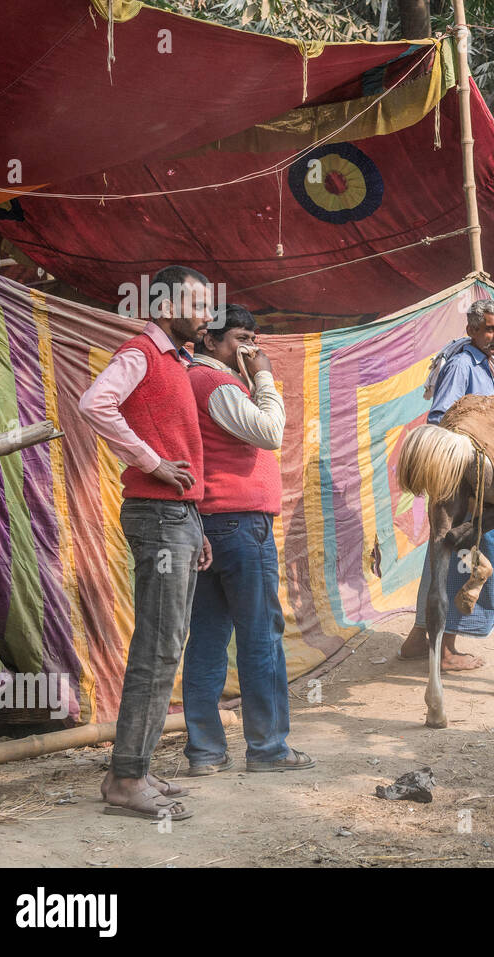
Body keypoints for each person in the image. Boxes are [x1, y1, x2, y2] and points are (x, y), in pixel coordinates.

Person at [78, 265, 215, 821]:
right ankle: (125, 778)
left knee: (166, 645)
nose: (207, 314)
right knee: (157, 646)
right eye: (197, 304)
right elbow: (93, 404)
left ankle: (135, 765)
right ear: (162, 307)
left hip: (177, 517)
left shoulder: (178, 364)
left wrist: (197, 523)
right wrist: (152, 463)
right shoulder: (140, 353)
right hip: (157, 517)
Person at [182, 304, 313, 776]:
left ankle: (205, 752)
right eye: (240, 338)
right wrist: (263, 378)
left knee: (208, 641)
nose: (251, 348)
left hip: (209, 528)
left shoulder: (198, 379)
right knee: (260, 638)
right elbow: (270, 432)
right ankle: (268, 749)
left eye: (254, 338)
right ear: (211, 343)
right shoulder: (213, 382)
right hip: (237, 527)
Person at [398, 300, 494, 672]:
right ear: (472, 331)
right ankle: (446, 650)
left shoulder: (488, 366)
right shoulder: (463, 364)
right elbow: (440, 419)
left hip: (476, 482)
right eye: (489, 330)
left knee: (445, 555)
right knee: (463, 560)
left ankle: (419, 637)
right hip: (464, 485)